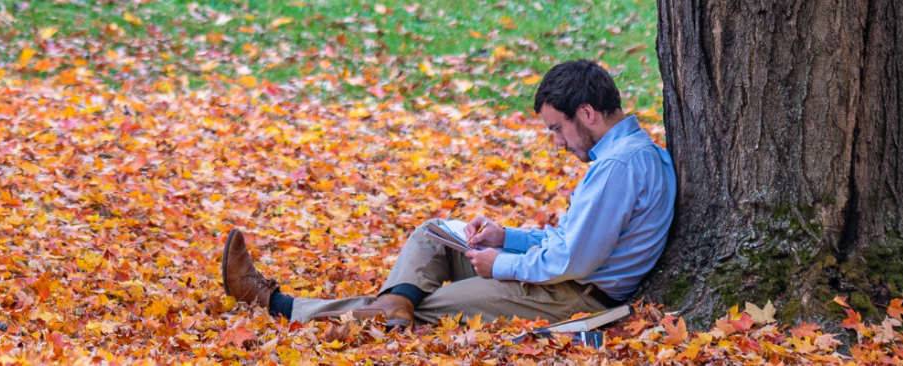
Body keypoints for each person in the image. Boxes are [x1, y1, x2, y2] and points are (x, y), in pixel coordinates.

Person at [219, 59, 676, 327]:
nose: (557, 142)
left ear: (588, 112)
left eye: (557, 129)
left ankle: (280, 306)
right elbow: (573, 241)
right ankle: (391, 307)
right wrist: (506, 238)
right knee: (434, 234)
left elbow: (575, 262)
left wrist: (503, 265)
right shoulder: (634, 154)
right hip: (556, 276)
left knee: (430, 308)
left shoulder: (619, 167)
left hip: (571, 295)